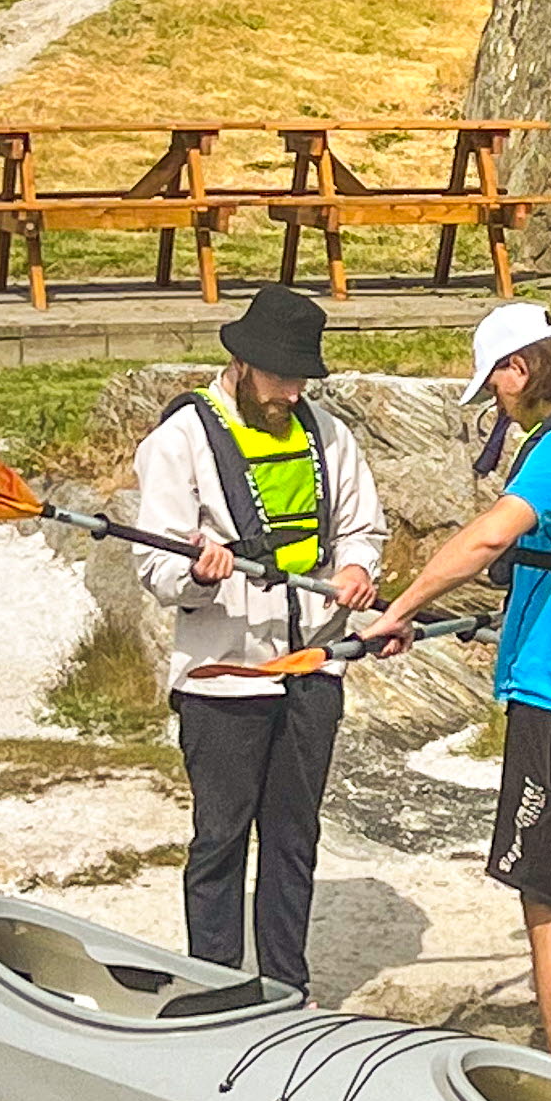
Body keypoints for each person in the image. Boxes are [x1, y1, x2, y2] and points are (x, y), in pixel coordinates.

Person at [357, 304, 551, 1076]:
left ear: (520, 370)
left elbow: (491, 535)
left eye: (494, 383)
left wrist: (399, 607)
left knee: (548, 899)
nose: (495, 400)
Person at [130, 285, 382, 993]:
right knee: (220, 840)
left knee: (293, 840)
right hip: (225, 675)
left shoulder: (326, 433)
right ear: (240, 362)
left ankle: (285, 987)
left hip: (313, 669)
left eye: (301, 376)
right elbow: (156, 563)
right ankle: (213, 986)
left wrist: (359, 567)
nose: (291, 390)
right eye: (279, 375)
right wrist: (199, 574)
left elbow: (363, 527)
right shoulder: (178, 442)